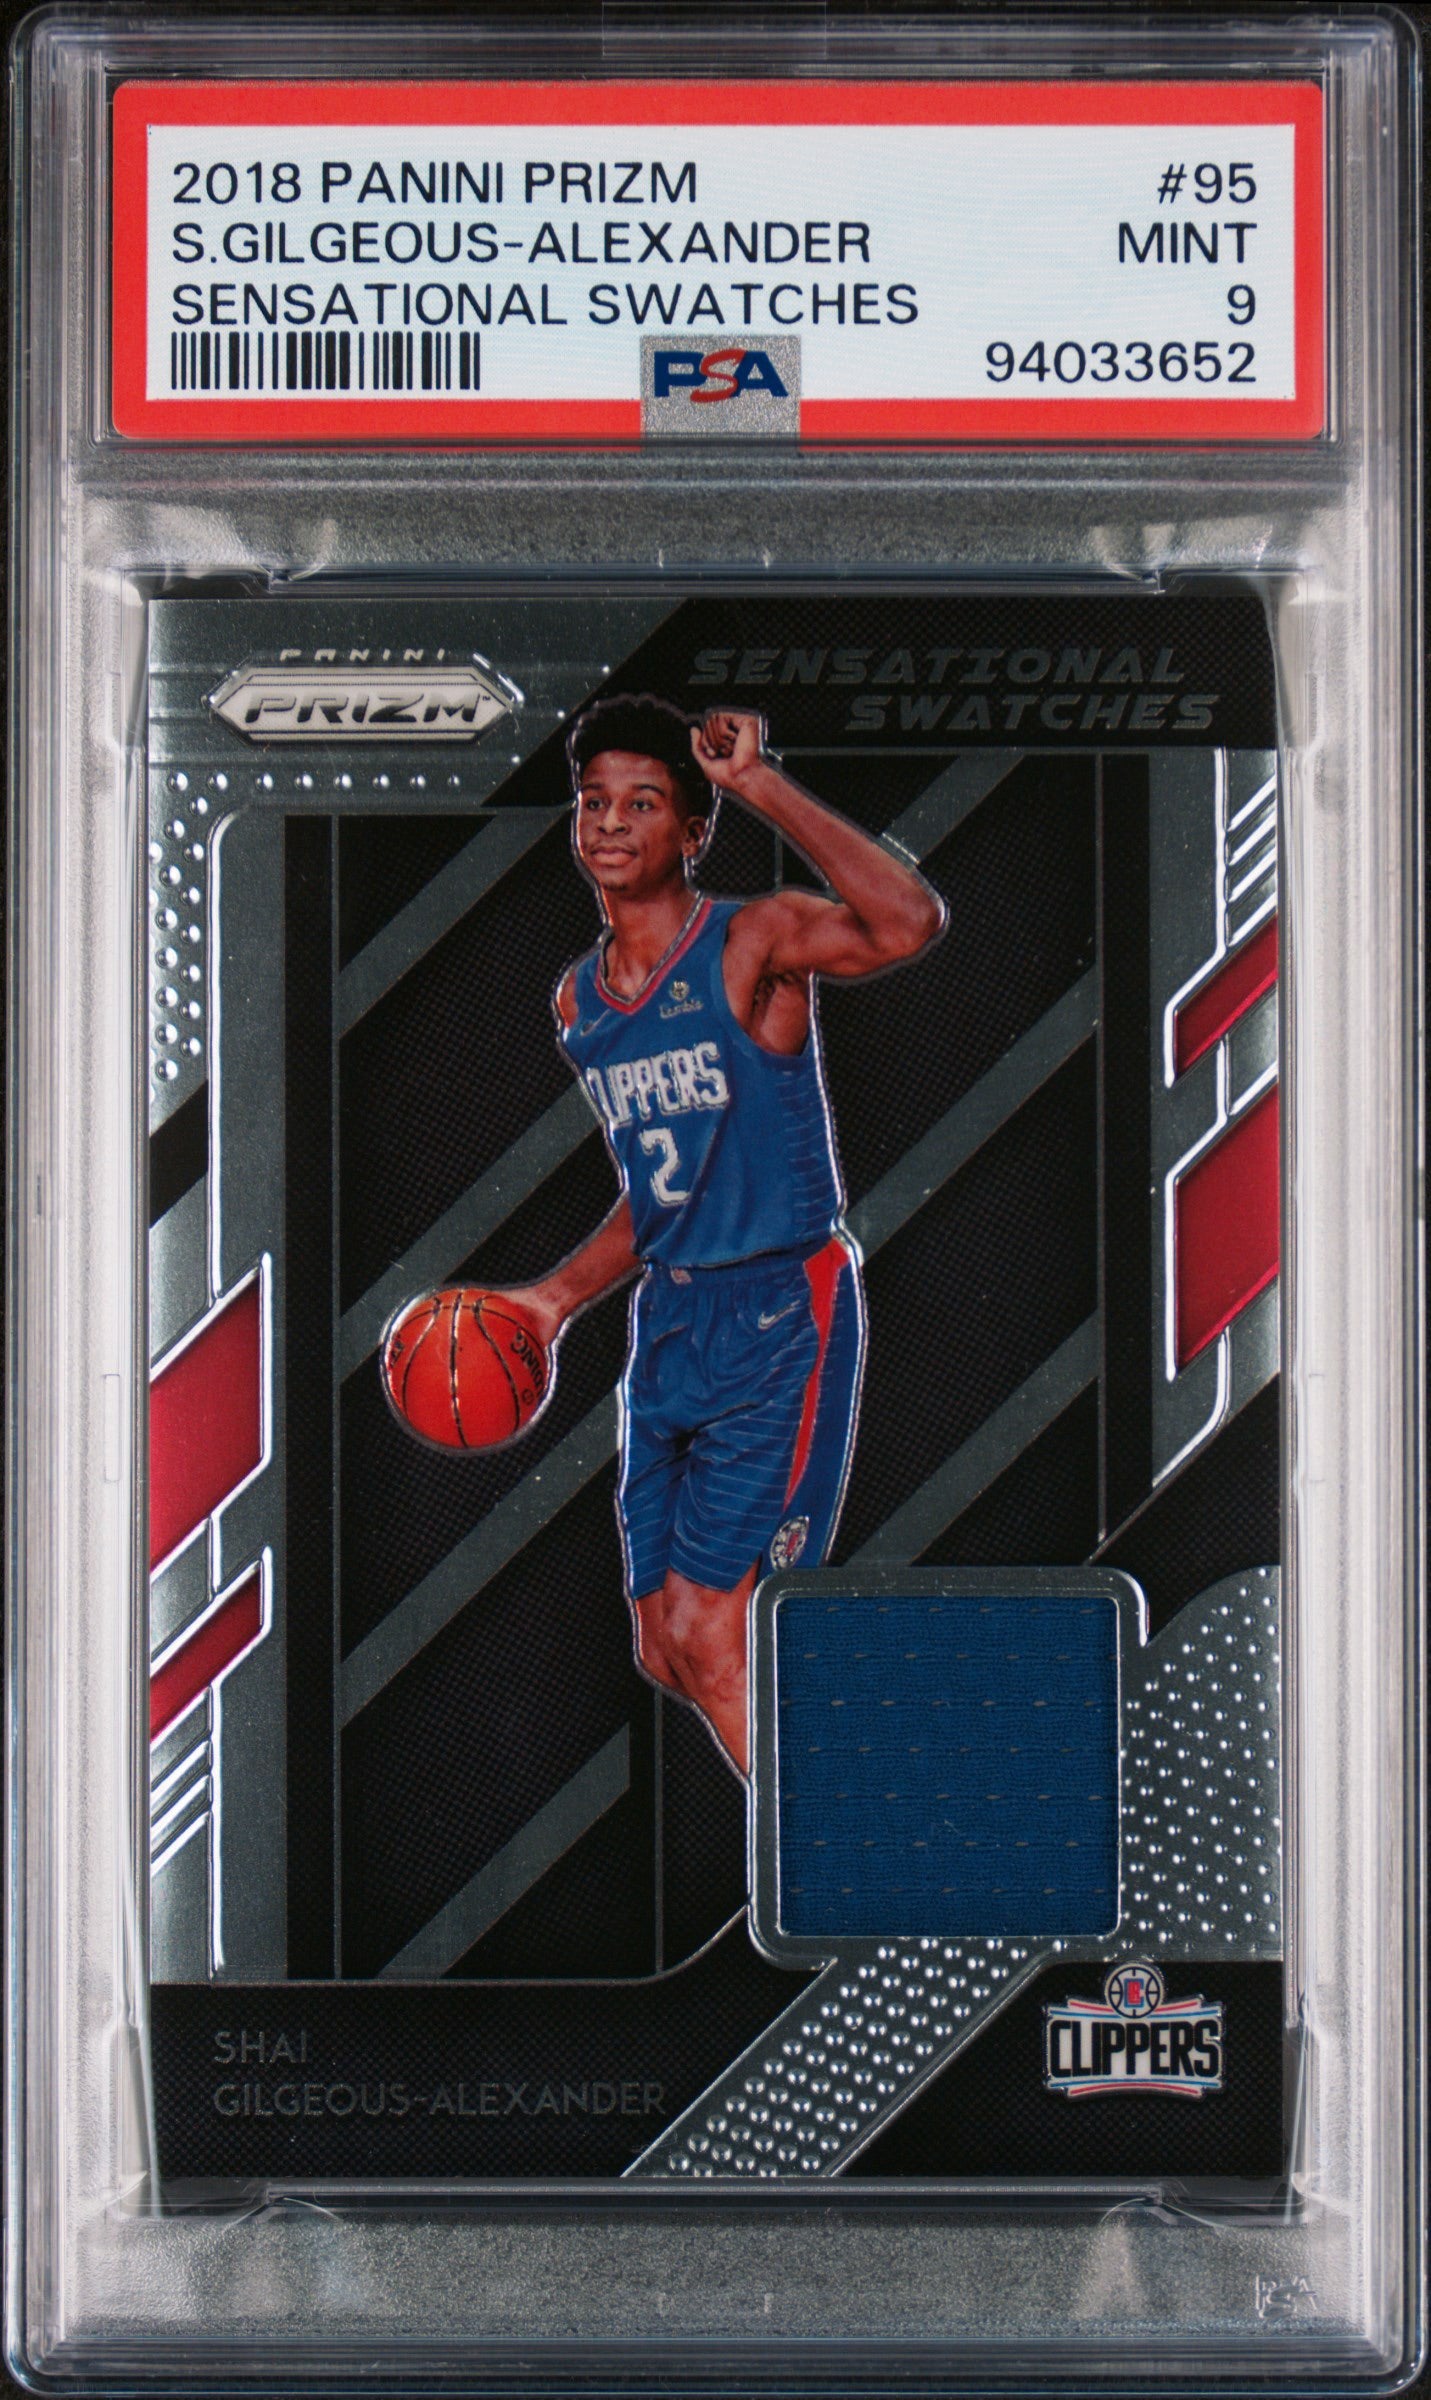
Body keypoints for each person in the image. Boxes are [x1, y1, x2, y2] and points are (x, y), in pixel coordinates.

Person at [502, 695, 944, 1774]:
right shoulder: (579, 1003)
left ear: (693, 831)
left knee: (715, 1633)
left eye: (642, 803)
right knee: (664, 1643)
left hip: (778, 1309)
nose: (610, 822)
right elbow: (666, 1192)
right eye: (593, 802)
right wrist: (553, 1299)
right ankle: (873, 1787)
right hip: (672, 1321)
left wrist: (758, 783)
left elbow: (908, 923)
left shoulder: (752, 941)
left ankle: (847, 1853)